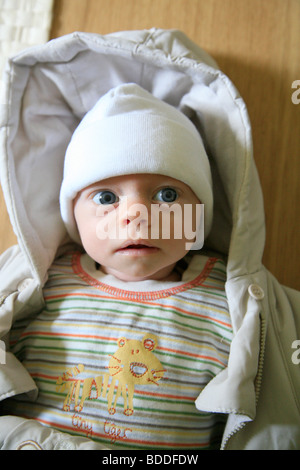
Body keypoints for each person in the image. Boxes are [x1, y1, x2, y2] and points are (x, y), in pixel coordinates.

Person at [0, 29, 299, 451]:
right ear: (73, 219)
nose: (136, 217)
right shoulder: (33, 286)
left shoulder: (243, 304)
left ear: (199, 217)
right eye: (106, 197)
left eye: (167, 195)